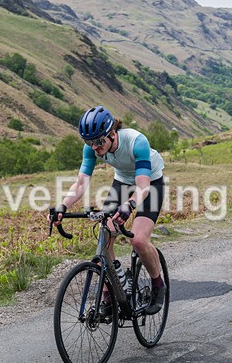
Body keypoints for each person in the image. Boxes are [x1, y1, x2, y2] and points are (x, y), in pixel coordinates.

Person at [51, 105, 167, 315]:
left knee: (139, 240)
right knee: (105, 235)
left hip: (150, 183)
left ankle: (158, 284)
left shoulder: (136, 142)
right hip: (122, 182)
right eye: (89, 142)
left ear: (112, 133)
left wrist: (129, 206)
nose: (94, 147)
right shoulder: (92, 148)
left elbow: (142, 187)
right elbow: (80, 184)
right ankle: (110, 295)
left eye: (98, 141)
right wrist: (63, 205)